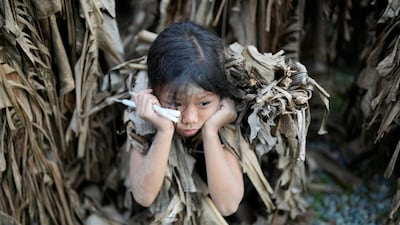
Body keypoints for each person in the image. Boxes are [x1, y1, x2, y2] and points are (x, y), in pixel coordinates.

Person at [128, 21, 244, 223]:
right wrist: (164, 132)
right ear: (152, 91)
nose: (190, 119)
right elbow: (143, 196)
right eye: (175, 103)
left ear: (222, 95)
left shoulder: (227, 118)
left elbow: (228, 205)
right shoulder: (143, 113)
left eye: (204, 103)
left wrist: (210, 131)